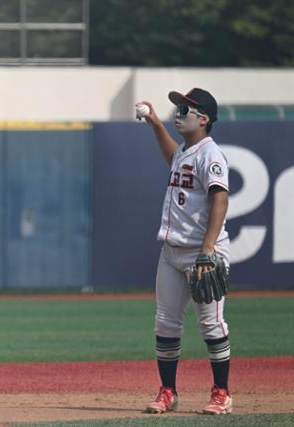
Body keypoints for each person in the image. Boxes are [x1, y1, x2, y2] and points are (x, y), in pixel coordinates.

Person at [138, 88, 232, 415]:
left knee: (211, 324)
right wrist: (155, 124)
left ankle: (222, 393)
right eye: (178, 108)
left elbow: (220, 198)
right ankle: (168, 392)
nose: (178, 113)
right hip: (172, 251)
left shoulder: (211, 154)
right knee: (165, 323)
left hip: (202, 254)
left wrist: (208, 250)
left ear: (203, 119)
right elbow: (171, 158)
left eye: (186, 109)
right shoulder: (185, 151)